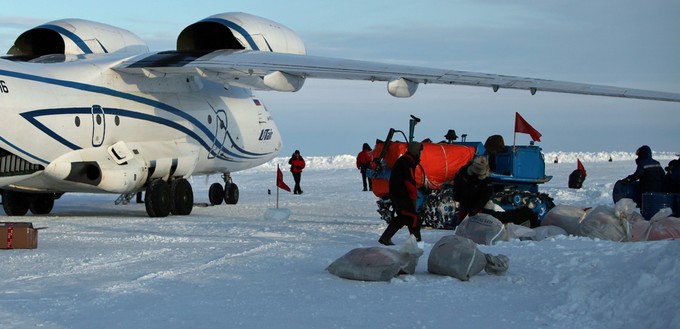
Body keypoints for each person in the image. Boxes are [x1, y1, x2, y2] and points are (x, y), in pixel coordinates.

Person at [378, 142, 423, 245]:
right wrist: (413, 196)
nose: (421, 154)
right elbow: (409, 182)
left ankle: (385, 238)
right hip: (402, 195)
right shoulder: (407, 163)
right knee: (413, 217)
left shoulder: (405, 161)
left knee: (403, 217)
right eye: (420, 151)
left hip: (397, 194)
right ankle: (417, 243)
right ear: (416, 151)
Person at [453, 156, 493, 224]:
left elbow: (485, 196)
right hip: (464, 201)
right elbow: (457, 184)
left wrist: (476, 209)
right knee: (462, 222)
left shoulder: (486, 181)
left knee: (475, 223)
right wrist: (456, 197)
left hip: (476, 204)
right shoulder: (463, 171)